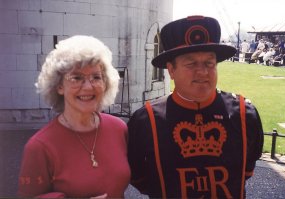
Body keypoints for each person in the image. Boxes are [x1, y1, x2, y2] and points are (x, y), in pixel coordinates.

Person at [127, 16, 264, 199]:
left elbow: (246, 171)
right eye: (191, 63)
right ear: (171, 70)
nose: (202, 72)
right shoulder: (146, 121)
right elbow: (138, 177)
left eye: (209, 63)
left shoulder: (244, 114)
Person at [18, 35, 130, 198]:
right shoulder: (39, 146)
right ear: (59, 86)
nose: (88, 86)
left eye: (96, 77)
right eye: (76, 78)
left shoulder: (118, 128)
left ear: (105, 83)